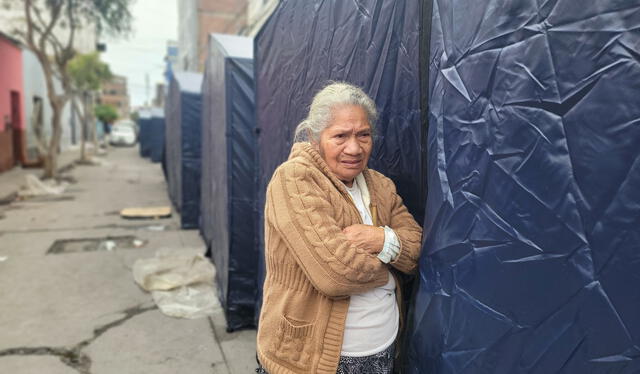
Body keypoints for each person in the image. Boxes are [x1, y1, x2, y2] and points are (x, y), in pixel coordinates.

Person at [256, 82, 422, 374]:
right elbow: (334, 273)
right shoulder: (295, 179)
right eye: (340, 136)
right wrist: (392, 265)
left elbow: (419, 249)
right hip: (313, 360)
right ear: (315, 136)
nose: (354, 148)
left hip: (381, 350)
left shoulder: (381, 186)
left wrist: (380, 240)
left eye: (364, 135)